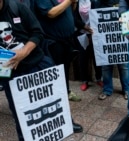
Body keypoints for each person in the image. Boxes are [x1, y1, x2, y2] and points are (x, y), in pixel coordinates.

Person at [0, 0, 81, 140]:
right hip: (9, 73)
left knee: (54, 100)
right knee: (21, 112)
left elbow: (37, 32)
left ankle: (66, 122)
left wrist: (24, 52)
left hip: (37, 63)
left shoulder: (17, 7)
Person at [33, 0, 83, 133]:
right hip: (53, 44)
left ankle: (61, 116)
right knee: (56, 83)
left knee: (63, 80)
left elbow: (66, 12)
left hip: (65, 42)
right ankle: (64, 121)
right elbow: (51, 13)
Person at [97, 0, 129, 100]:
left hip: (121, 37)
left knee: (124, 66)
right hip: (106, 37)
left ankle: (127, 89)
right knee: (106, 65)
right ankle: (107, 89)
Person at [73, 0, 103, 91]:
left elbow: (98, 14)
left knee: (96, 56)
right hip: (81, 33)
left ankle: (99, 78)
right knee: (83, 58)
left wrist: (92, 29)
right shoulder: (76, 2)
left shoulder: (94, 1)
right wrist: (84, 26)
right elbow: (74, 18)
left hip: (94, 32)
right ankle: (84, 81)